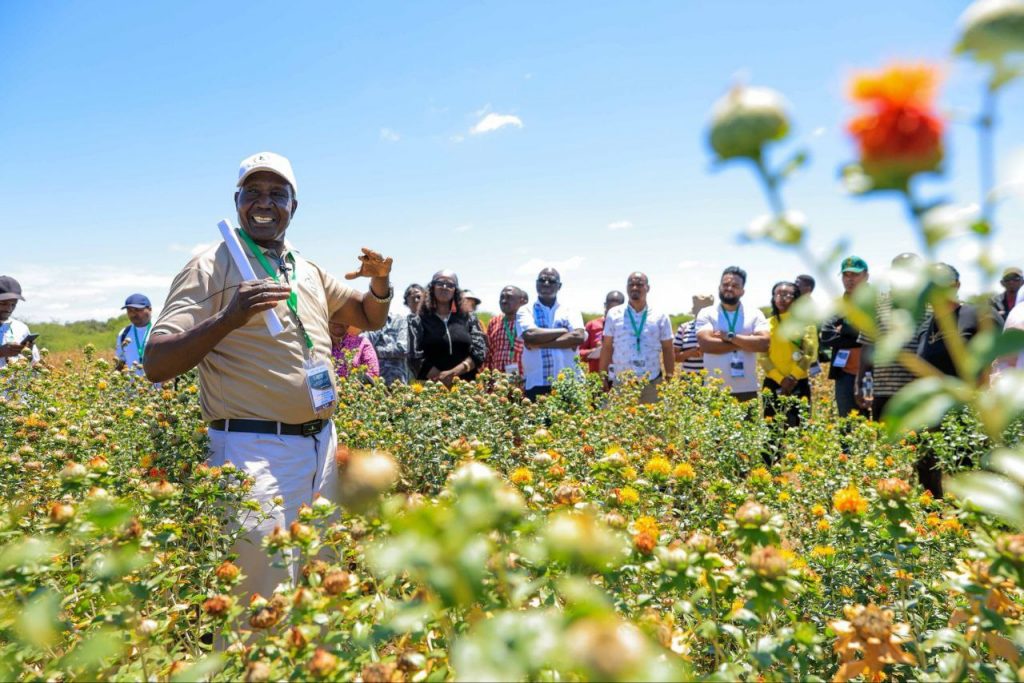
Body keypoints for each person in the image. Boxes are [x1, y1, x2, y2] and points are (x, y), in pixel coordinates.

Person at [144, 152, 394, 599]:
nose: (264, 202)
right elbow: (156, 362)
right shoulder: (211, 264)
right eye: (253, 192)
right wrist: (229, 317)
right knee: (260, 595)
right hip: (253, 450)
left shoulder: (303, 266)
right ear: (237, 201)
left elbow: (364, 315)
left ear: (293, 206)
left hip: (322, 446)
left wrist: (380, 286)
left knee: (321, 584)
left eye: (277, 194)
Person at [914, 263, 980, 498]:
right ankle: (934, 522)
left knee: (964, 468)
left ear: (956, 285)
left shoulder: (974, 315)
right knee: (926, 466)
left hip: (966, 409)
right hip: (930, 410)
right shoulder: (926, 324)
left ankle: (969, 525)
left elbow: (995, 360)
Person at [859, 253, 924, 422]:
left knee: (919, 444)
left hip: (919, 392)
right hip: (883, 391)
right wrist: (862, 387)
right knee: (886, 444)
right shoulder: (876, 305)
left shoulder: (932, 305)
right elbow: (867, 349)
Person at [695, 266, 770, 402]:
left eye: (735, 285)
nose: (729, 288)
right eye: (726, 284)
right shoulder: (706, 313)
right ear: (719, 287)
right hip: (714, 390)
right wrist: (746, 342)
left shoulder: (755, 314)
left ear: (742, 291)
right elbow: (706, 345)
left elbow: (764, 344)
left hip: (746, 389)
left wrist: (730, 336)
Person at [599, 273, 674, 403]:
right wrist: (603, 376)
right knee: (620, 422)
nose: (634, 287)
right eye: (631, 284)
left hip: (652, 381)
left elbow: (667, 348)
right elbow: (606, 347)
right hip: (622, 383)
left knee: (652, 421)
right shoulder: (614, 314)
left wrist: (669, 376)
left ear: (648, 288)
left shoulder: (660, 315)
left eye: (639, 284)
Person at [516, 268, 586, 401]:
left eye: (551, 281)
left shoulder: (570, 309)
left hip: (569, 383)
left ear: (559, 286)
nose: (546, 283)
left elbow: (578, 337)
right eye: (542, 280)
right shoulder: (525, 310)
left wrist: (540, 343)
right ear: (536, 283)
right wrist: (564, 331)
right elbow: (530, 334)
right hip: (537, 383)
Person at [410, 270, 486, 385]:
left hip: (466, 387)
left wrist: (453, 373)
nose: (445, 287)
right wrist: (440, 378)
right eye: (440, 283)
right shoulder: (418, 320)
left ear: (455, 290)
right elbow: (413, 354)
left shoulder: (468, 318)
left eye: (450, 284)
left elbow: (479, 351)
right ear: (432, 287)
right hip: (430, 387)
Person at [760, 281, 818, 431]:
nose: (781, 298)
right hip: (773, 383)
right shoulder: (765, 324)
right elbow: (763, 357)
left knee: (799, 430)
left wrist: (792, 377)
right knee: (771, 432)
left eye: (786, 294)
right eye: (777, 294)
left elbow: (808, 354)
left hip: (798, 383)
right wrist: (781, 380)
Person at [820, 256, 870, 417]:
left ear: (866, 276)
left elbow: (877, 334)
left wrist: (844, 329)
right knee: (847, 427)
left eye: (855, 275)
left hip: (873, 375)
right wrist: (860, 334)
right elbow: (826, 336)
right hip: (844, 376)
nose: (849, 279)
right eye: (845, 275)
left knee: (876, 427)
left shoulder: (878, 301)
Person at [483, 286, 528, 375]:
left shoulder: (528, 322)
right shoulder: (494, 322)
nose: (504, 301)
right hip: (499, 383)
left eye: (509, 297)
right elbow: (489, 355)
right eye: (502, 297)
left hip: (525, 381)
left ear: (521, 301)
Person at [578, 291, 625, 373]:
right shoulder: (592, 325)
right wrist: (594, 351)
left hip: (622, 378)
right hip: (596, 378)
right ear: (605, 305)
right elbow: (578, 353)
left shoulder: (627, 326)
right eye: (610, 309)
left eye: (616, 310)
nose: (612, 313)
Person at [0, 276, 40, 368]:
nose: (8, 309)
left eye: (13, 304)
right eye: (2, 303)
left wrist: (28, 353)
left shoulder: (21, 328)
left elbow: (35, 364)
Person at [366, 310, 410, 384]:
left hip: (395, 383)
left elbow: (403, 349)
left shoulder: (400, 320)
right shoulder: (363, 322)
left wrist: (376, 351)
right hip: (369, 383)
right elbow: (358, 347)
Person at [674, 294, 713, 374]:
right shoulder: (684, 327)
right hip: (688, 381)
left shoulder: (717, 327)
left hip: (712, 380)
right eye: (698, 308)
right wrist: (691, 352)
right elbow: (675, 357)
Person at [114, 293, 153, 375]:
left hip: (157, 386)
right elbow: (120, 363)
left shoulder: (161, 329)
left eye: (137, 310)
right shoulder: (124, 334)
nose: (133, 314)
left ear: (149, 309)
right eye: (129, 310)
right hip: (131, 387)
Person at [404, 284, 425, 379]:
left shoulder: (434, 320)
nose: (416, 301)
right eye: (413, 298)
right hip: (409, 366)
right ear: (407, 302)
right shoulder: (403, 322)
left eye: (419, 297)